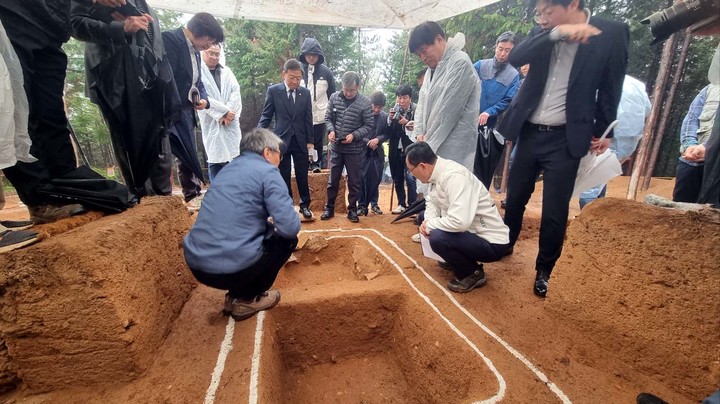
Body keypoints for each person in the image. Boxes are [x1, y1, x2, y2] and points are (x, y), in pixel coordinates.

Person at [498, 0, 629, 297]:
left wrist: (603, 129)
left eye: (548, 12)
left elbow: (612, 85)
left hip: (566, 136)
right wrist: (555, 32)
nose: (542, 19)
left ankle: (545, 268)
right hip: (530, 131)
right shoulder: (544, 32)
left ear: (572, 3)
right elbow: (516, 56)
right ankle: (505, 243)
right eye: (539, 14)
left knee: (555, 210)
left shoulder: (611, 32)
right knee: (515, 197)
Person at [183, 128, 299, 321]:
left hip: (198, 266)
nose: (281, 159)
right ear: (267, 152)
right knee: (286, 240)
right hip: (229, 269)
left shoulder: (227, 169)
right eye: (280, 153)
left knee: (263, 231)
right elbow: (290, 227)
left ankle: (233, 297)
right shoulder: (268, 171)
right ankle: (247, 298)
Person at [70, 0, 178, 198]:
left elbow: (156, 46)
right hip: (115, 81)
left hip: (150, 82)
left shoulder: (146, 7)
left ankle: (164, 202)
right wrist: (121, 28)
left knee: (160, 141)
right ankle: (141, 200)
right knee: (131, 142)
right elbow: (75, 24)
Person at [0, 0, 94, 224]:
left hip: (51, 29)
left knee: (52, 114)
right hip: (12, 20)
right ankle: (39, 199)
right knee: (20, 113)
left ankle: (70, 188)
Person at [406, 141, 510, 293]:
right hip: (471, 233)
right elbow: (432, 203)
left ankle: (472, 273)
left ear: (422, 166)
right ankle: (457, 259)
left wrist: (430, 226)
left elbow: (459, 222)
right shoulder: (436, 174)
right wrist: (427, 222)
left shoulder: (455, 177)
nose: (411, 174)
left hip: (491, 242)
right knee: (425, 220)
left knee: (438, 237)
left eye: (411, 170)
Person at [162, 13, 224, 210]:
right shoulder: (170, 40)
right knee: (165, 153)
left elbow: (197, 81)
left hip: (187, 111)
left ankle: (193, 194)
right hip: (169, 110)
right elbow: (166, 79)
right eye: (210, 40)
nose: (209, 45)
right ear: (200, 32)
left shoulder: (195, 51)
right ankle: (164, 195)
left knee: (188, 154)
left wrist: (203, 99)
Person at [408, 21, 480, 172]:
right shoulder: (430, 71)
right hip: (429, 142)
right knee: (435, 192)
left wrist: (427, 145)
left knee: (452, 187)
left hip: (453, 147)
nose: (423, 58)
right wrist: (419, 133)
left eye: (424, 51)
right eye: (419, 55)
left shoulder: (459, 62)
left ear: (439, 39)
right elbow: (421, 105)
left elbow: (448, 112)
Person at [578, 75, 652, 208]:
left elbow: (587, 106)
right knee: (601, 173)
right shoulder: (636, 85)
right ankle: (596, 212)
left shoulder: (597, 77)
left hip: (601, 134)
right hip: (627, 138)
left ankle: (586, 218)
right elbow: (647, 109)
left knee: (590, 178)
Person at [258, 58, 314, 220]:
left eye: (298, 78)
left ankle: (305, 205)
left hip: (300, 140)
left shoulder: (305, 93)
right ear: (284, 74)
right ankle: (287, 206)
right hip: (280, 141)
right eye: (292, 77)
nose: (295, 81)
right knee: (283, 175)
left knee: (302, 174)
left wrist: (310, 141)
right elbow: (266, 115)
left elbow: (307, 118)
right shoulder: (274, 91)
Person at [320, 71, 373, 223]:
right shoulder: (334, 97)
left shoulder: (365, 102)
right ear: (341, 87)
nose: (348, 93)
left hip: (354, 150)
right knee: (332, 180)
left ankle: (352, 210)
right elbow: (328, 118)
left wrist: (354, 135)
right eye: (346, 90)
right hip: (336, 147)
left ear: (358, 87)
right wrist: (331, 130)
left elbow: (368, 125)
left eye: (352, 90)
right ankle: (329, 208)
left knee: (354, 181)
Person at [473, 31, 520, 190]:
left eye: (507, 51)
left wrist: (490, 111)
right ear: (496, 47)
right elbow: (465, 85)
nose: (502, 53)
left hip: (489, 127)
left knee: (483, 167)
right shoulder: (480, 65)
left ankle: (480, 200)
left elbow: (508, 100)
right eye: (500, 49)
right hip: (468, 123)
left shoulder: (514, 75)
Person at [198, 43, 242, 182]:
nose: (214, 57)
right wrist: (222, 112)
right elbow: (202, 96)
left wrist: (229, 113)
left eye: (217, 54)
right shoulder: (199, 73)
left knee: (234, 161)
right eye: (210, 53)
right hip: (211, 121)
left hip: (230, 121)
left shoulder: (227, 71)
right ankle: (217, 198)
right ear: (203, 52)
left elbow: (236, 93)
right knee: (215, 159)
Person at [672, 83, 719, 203]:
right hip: (694, 163)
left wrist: (710, 148)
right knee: (679, 213)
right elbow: (691, 118)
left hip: (716, 167)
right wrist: (689, 145)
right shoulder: (710, 88)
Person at [299, 38, 336, 173]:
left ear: (319, 55)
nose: (311, 57)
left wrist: (333, 115)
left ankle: (316, 163)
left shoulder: (326, 72)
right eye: (308, 54)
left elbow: (332, 95)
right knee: (302, 140)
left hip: (320, 114)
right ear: (303, 55)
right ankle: (303, 163)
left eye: (314, 54)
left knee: (318, 140)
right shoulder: (298, 70)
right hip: (301, 115)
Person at [387, 84, 418, 214]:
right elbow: (388, 131)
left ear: (410, 98)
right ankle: (401, 204)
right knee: (397, 176)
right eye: (399, 98)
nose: (402, 101)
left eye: (405, 98)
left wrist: (407, 122)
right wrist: (390, 119)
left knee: (411, 177)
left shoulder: (417, 109)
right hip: (395, 148)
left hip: (411, 148)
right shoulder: (395, 110)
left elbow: (420, 127)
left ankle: (412, 205)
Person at [358, 91, 388, 216]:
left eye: (379, 107)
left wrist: (378, 140)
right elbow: (357, 131)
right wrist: (368, 141)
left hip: (377, 152)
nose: (376, 109)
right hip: (362, 151)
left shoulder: (385, 117)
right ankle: (361, 205)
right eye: (374, 106)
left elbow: (387, 133)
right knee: (361, 178)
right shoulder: (362, 114)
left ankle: (374, 204)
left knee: (376, 178)